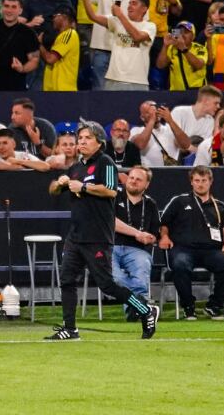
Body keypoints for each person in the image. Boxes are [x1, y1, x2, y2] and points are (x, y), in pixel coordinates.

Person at [45, 123, 158, 341]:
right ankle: (70, 328)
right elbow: (52, 191)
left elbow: (110, 190)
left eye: (87, 138)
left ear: (99, 142)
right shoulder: (76, 167)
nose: (82, 142)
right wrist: (59, 183)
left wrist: (84, 187)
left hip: (97, 235)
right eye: (80, 138)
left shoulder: (105, 162)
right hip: (76, 235)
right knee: (67, 280)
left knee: (107, 284)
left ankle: (144, 309)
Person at [158, 165, 224, 320]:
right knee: (180, 264)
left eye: (204, 180)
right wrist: (165, 237)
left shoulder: (220, 206)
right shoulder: (179, 201)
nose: (200, 184)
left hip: (211, 250)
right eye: (197, 180)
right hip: (183, 249)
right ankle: (188, 306)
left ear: (210, 182)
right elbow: (163, 224)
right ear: (191, 182)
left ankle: (214, 306)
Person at [112, 164, 160, 320]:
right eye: (131, 177)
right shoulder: (113, 196)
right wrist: (137, 233)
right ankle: (140, 305)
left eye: (138, 179)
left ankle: (135, 310)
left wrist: (150, 237)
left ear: (146, 184)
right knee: (116, 278)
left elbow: (154, 233)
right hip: (111, 246)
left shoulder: (151, 204)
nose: (133, 181)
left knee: (142, 269)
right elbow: (110, 222)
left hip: (137, 250)